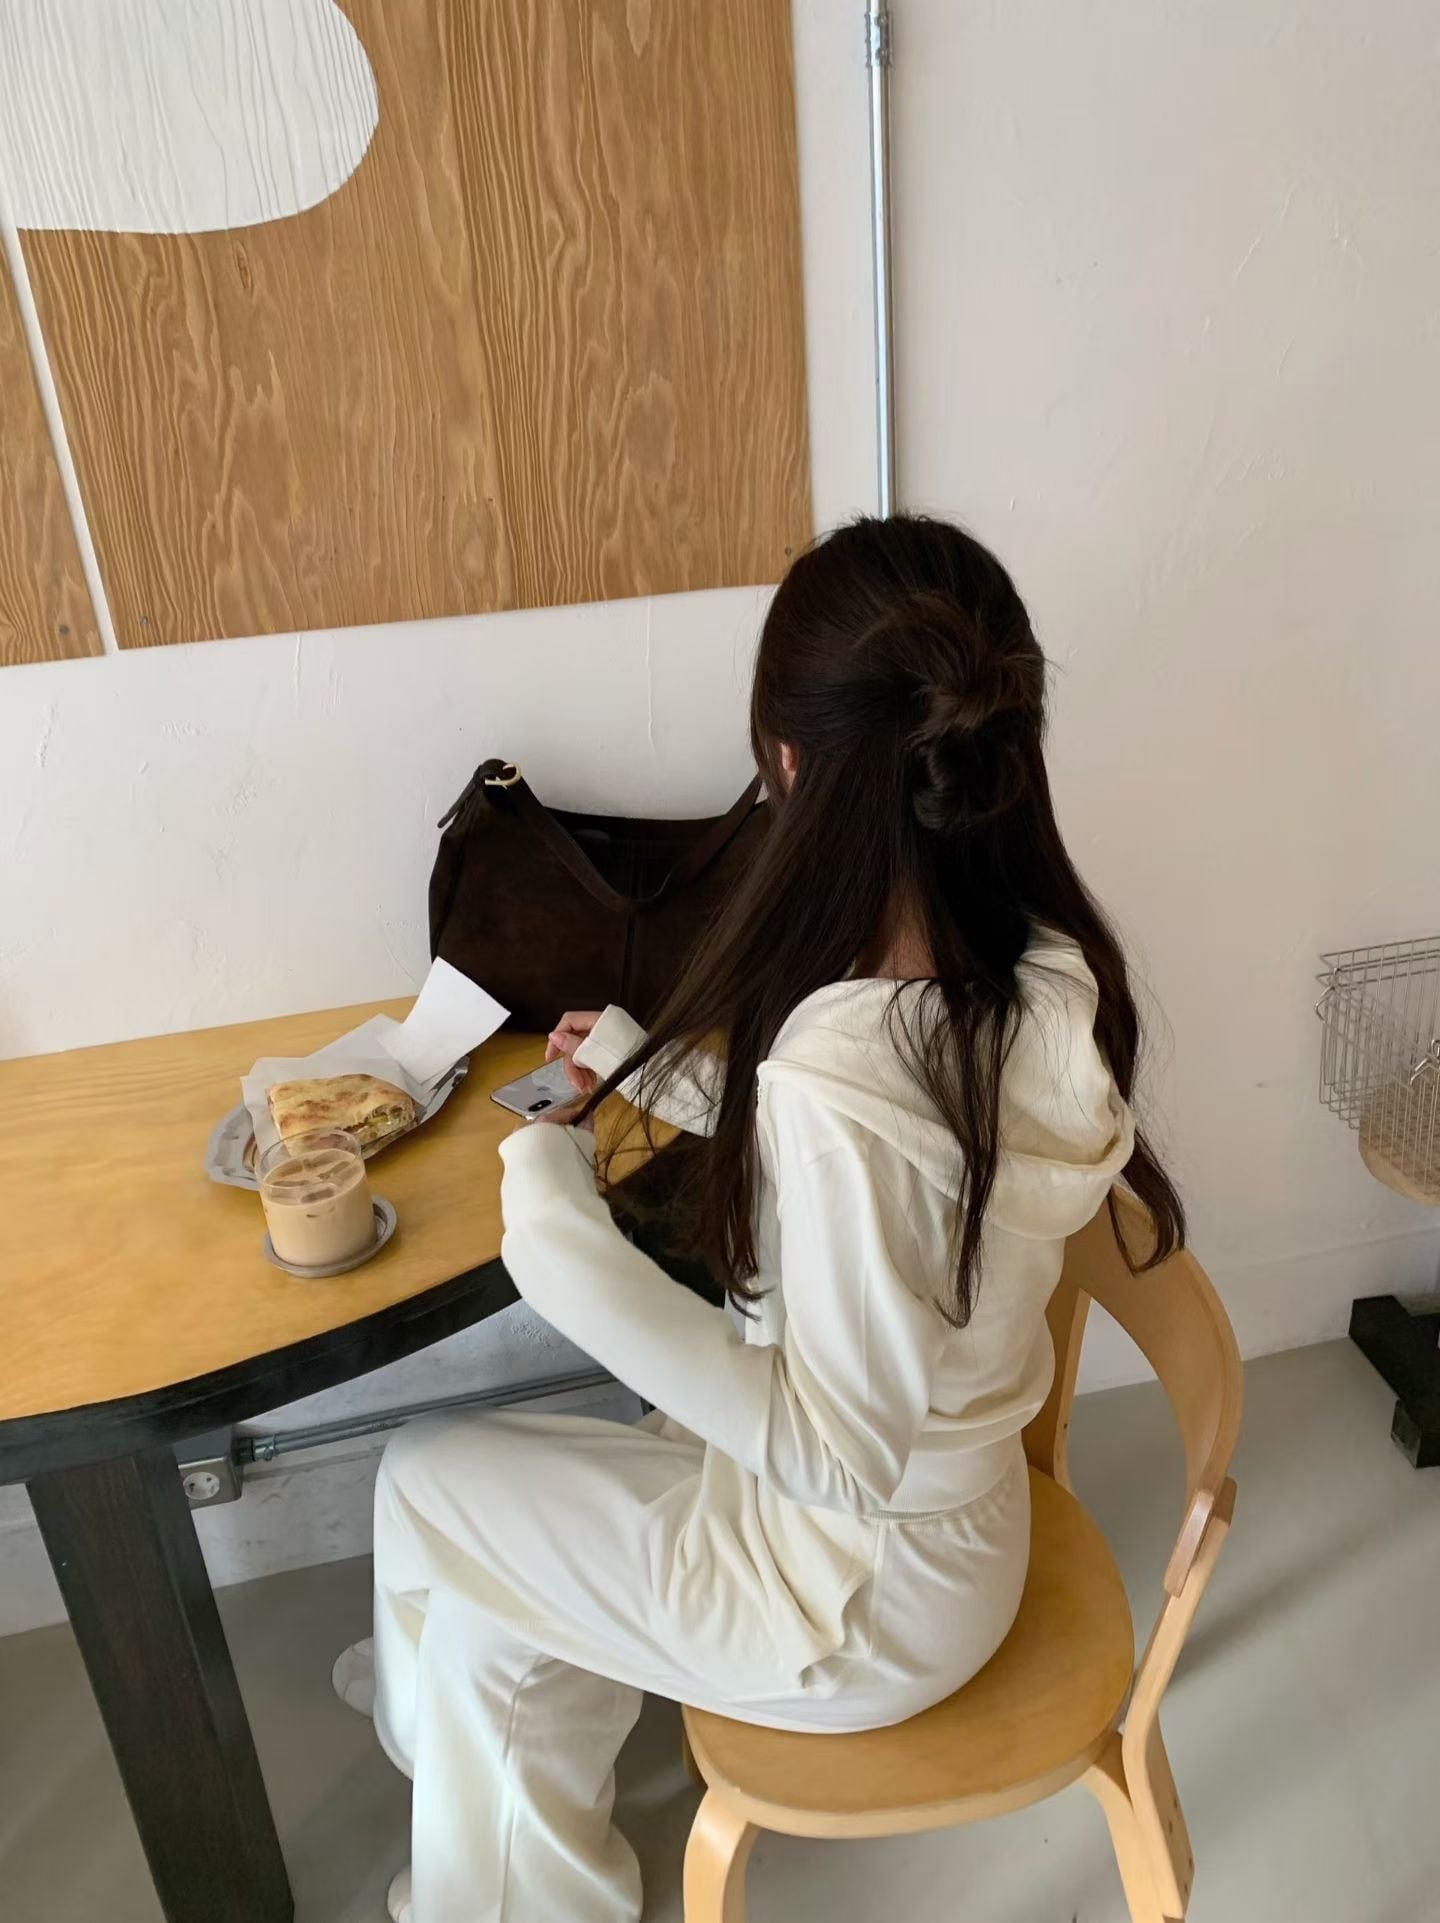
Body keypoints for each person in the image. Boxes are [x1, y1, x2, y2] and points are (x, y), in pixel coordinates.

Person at [362, 514, 1184, 1923]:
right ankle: (470, 1779)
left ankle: (436, 1750)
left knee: (424, 1488)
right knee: (471, 1578)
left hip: (847, 1598)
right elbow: (909, 1173)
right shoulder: (1035, 971)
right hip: (950, 1529)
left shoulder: (840, 1075)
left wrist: (552, 1221)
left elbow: (834, 1448)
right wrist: (656, 1069)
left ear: (794, 767)